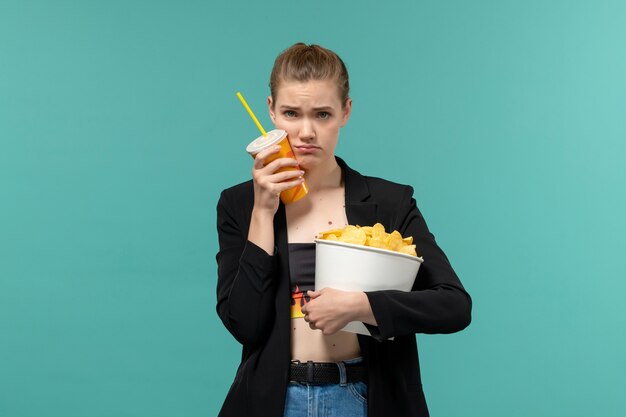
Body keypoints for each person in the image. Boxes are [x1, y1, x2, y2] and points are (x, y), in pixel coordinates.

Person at [216, 43, 472, 417]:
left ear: (345, 112)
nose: (306, 132)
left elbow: (454, 305)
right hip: (273, 400)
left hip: (366, 397)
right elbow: (245, 325)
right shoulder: (239, 204)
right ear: (270, 110)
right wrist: (262, 211)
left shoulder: (389, 202)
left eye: (322, 114)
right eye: (291, 113)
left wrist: (362, 306)